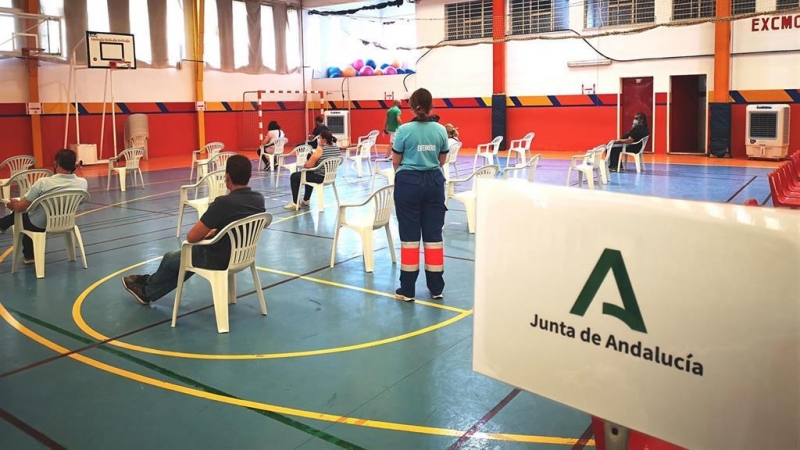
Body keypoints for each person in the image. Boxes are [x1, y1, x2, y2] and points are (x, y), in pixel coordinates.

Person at [121, 154, 266, 305]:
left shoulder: (223, 203)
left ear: (227, 176)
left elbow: (192, 237)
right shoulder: (259, 199)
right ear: (249, 175)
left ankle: (147, 288)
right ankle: (147, 288)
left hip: (219, 259)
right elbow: (242, 225)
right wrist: (218, 231)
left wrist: (211, 232)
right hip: (244, 257)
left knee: (172, 258)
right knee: (183, 262)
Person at [391, 88, 449, 303]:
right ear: (431, 105)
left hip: (408, 184)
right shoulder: (441, 130)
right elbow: (442, 160)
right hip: (434, 183)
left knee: (409, 238)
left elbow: (396, 161)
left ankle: (407, 289)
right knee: (434, 237)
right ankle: (436, 288)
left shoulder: (404, 130)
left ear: (411, 106)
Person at [0, 149, 88, 265]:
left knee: (23, 216)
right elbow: (81, 202)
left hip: (40, 224)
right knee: (27, 216)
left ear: (55, 163)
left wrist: (11, 204)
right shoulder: (82, 183)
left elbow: (21, 207)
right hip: (65, 223)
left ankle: (29, 255)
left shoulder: (43, 183)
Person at [285, 130, 341, 210]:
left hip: (319, 177)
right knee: (309, 173)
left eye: (319, 138)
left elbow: (308, 165)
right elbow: (339, 162)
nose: (318, 140)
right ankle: (306, 200)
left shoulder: (320, 149)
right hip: (331, 176)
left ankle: (295, 203)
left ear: (323, 140)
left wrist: (305, 162)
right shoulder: (336, 148)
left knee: (294, 176)